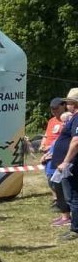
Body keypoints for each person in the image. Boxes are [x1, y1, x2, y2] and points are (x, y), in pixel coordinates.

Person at [52, 88, 78, 242]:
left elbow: (76, 140)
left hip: (73, 164)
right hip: (71, 163)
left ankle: (75, 229)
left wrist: (66, 161)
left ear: (74, 103)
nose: (67, 105)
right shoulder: (74, 118)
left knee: (73, 196)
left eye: (69, 102)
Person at [40, 98, 69, 220]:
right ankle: (57, 200)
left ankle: (63, 204)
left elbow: (65, 138)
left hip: (57, 153)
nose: (54, 111)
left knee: (57, 180)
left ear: (63, 106)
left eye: (56, 108)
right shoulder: (51, 121)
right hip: (48, 153)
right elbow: (46, 135)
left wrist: (52, 150)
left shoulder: (67, 120)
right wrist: (43, 145)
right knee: (50, 178)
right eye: (52, 109)